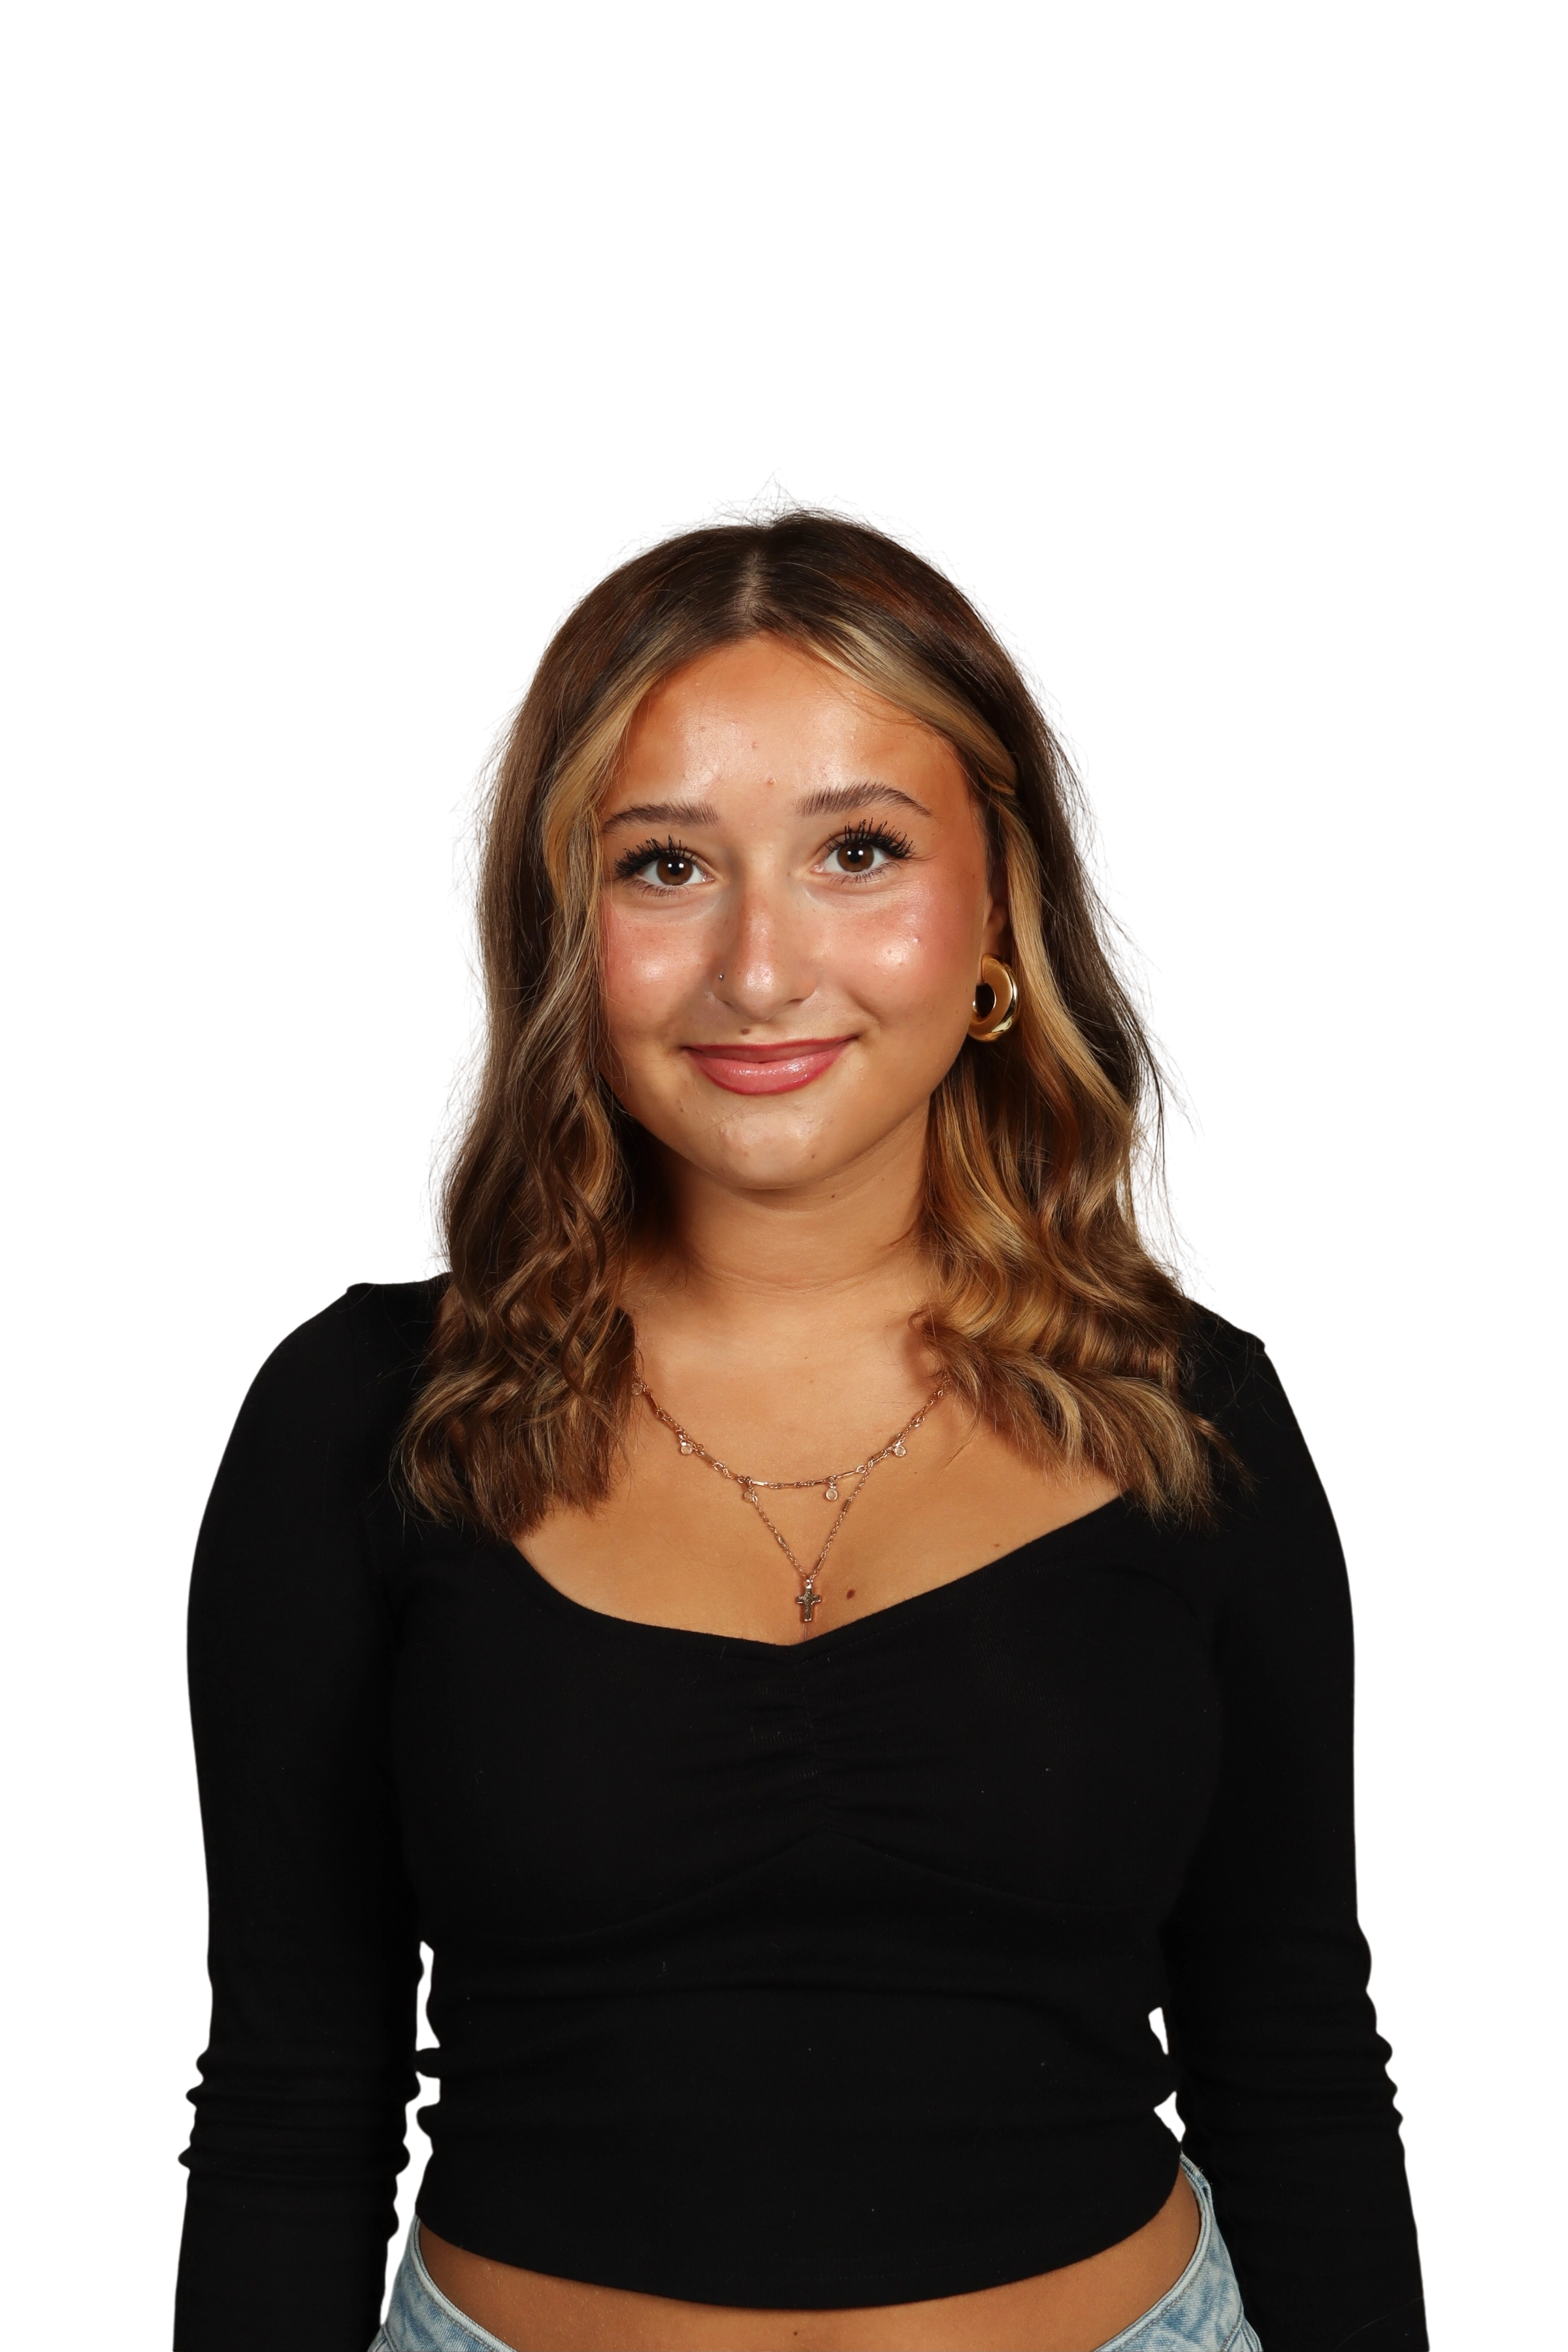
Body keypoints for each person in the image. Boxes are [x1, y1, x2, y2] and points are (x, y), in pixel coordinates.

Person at [172, 473, 1429, 2352]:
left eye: (857, 850)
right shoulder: (357, 1423)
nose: (759, 971)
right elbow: (292, 2095)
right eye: (663, 867)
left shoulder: (1191, 1415)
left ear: (1000, 915)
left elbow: (1297, 2054)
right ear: (560, 928)